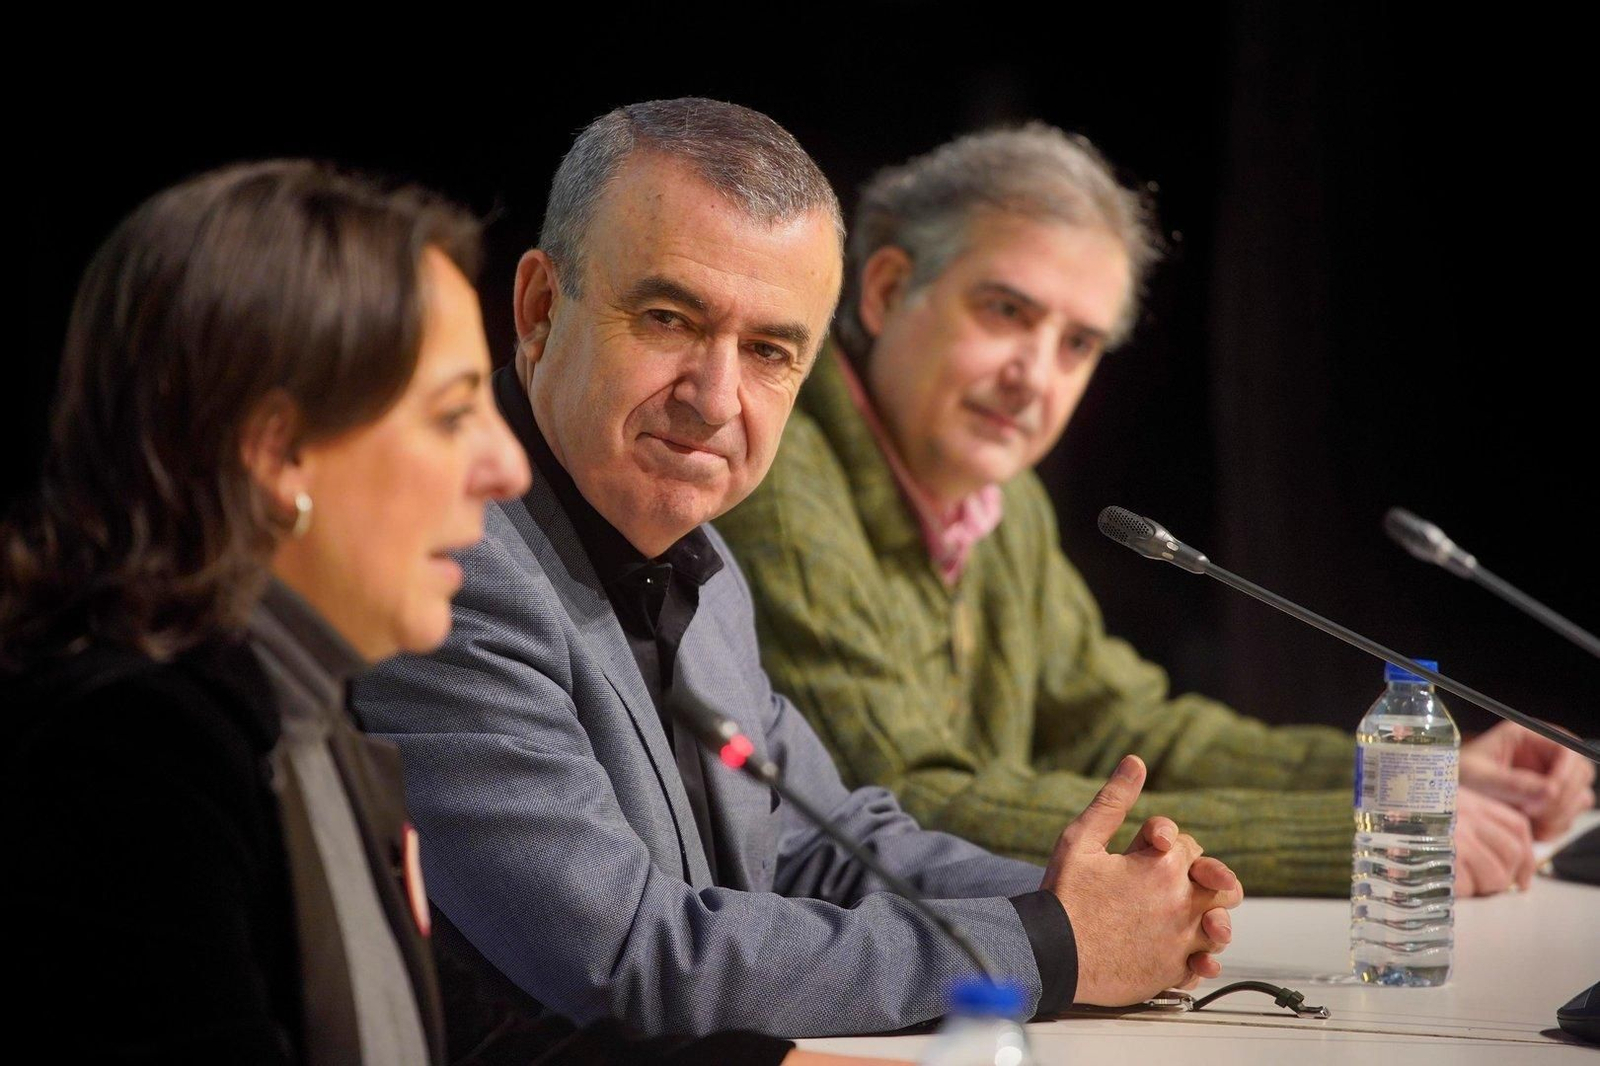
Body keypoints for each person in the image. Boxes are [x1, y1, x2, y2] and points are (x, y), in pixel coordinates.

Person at [355, 97, 1243, 1042]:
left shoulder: (702, 561)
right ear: (539, 308)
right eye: (668, 318)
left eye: (771, 351)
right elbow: (633, 962)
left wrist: (1107, 897)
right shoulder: (449, 569)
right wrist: (1048, 944)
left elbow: (826, 846)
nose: (714, 398)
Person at [1, 160, 855, 1065]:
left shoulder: (293, 714)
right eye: (453, 416)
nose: (507, 466)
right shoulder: (125, 761)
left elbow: (473, 1044)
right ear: (279, 452)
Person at [714, 124, 1596, 899]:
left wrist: (1401, 769)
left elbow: (1118, 725)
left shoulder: (1002, 502)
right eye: (1006, 311)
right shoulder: (783, 480)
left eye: (1078, 343)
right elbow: (909, 801)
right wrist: (1357, 830)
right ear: (884, 290)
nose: (1035, 375)